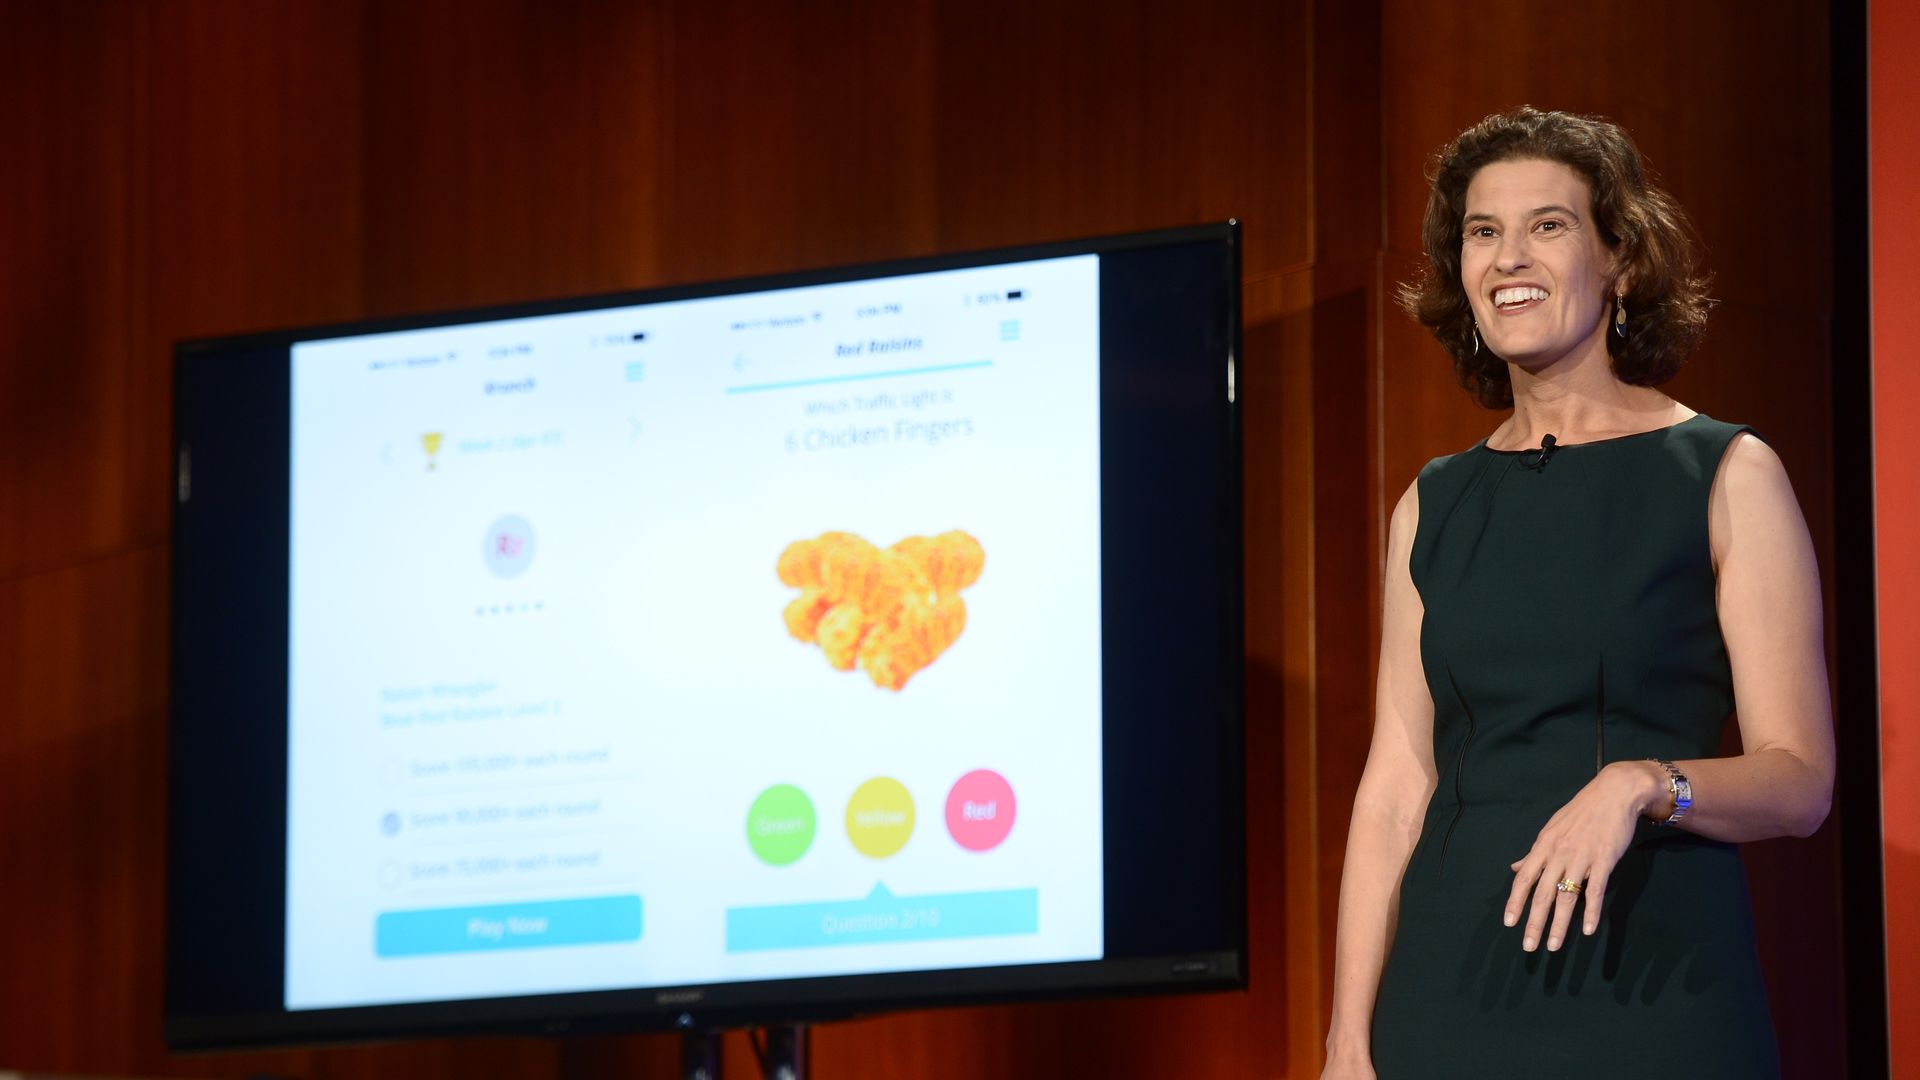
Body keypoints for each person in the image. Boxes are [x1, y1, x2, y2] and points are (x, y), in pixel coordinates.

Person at [1320, 107, 1836, 1079]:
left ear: (1622, 262)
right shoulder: (1432, 504)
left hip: (1655, 987)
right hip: (1447, 998)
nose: (1510, 256)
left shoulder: (1725, 474)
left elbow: (1800, 781)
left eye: (1548, 225)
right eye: (1483, 232)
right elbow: (1395, 790)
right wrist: (1349, 1039)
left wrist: (1647, 782)